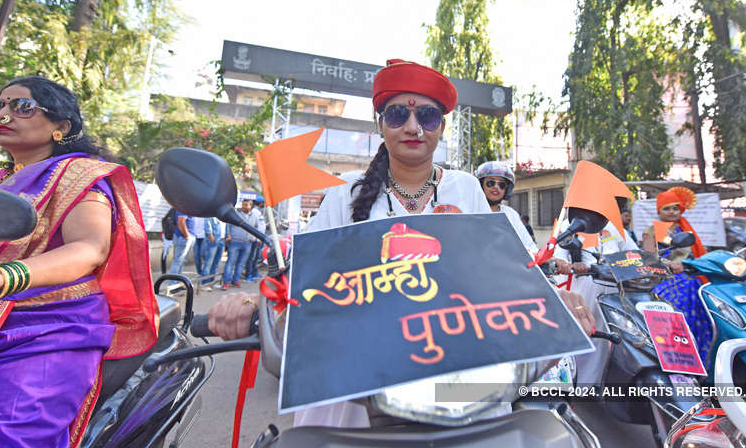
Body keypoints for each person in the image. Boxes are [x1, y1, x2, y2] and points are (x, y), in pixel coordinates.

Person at [208, 59, 596, 426]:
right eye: (399, 115)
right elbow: (304, 278)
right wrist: (250, 303)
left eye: (426, 116)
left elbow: (504, 270)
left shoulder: (465, 189)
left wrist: (552, 297)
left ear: (441, 128)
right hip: (361, 377)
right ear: (381, 125)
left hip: (460, 365)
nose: (413, 127)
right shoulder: (346, 194)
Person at [0, 76, 157, 448]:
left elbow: (89, 249)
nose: (4, 114)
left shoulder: (80, 175)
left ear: (62, 127)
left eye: (23, 107)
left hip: (45, 331)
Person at [551, 197, 640, 384]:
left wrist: (654, 263)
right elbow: (559, 255)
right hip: (583, 288)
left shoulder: (615, 227)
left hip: (614, 291)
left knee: (607, 341)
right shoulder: (572, 223)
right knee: (585, 336)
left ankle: (597, 386)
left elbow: (635, 254)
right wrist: (569, 265)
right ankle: (578, 388)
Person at [642, 187, 713, 364]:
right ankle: (678, 354)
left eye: (675, 208)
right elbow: (649, 258)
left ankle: (705, 356)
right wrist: (669, 265)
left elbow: (696, 254)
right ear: (659, 211)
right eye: (667, 208)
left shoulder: (685, 229)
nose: (672, 212)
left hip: (690, 275)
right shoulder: (651, 230)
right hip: (663, 277)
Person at [474, 161, 538, 254]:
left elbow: (528, 245)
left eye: (502, 185)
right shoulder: (470, 210)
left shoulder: (511, 214)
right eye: (491, 183)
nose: (496, 187)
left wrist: (549, 259)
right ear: (480, 185)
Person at [222, 198, 260, 289]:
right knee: (230, 263)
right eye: (244, 204)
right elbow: (228, 224)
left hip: (247, 243)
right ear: (241, 205)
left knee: (241, 264)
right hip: (235, 242)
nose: (246, 206)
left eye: (248, 205)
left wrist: (255, 239)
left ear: (251, 206)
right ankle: (226, 282)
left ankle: (236, 280)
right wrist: (228, 235)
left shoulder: (254, 216)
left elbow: (257, 227)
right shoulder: (235, 214)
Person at [170, 210, 196, 276]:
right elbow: (181, 222)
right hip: (183, 237)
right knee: (178, 261)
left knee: (182, 261)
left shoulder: (187, 206)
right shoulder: (183, 207)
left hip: (187, 237)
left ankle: (178, 281)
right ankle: (173, 283)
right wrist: (187, 236)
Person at [201, 217, 223, 289]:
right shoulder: (210, 214)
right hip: (213, 241)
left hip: (222, 240)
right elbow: (207, 226)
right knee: (208, 263)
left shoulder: (222, 215)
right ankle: (205, 284)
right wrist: (211, 237)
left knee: (216, 263)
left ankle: (212, 282)